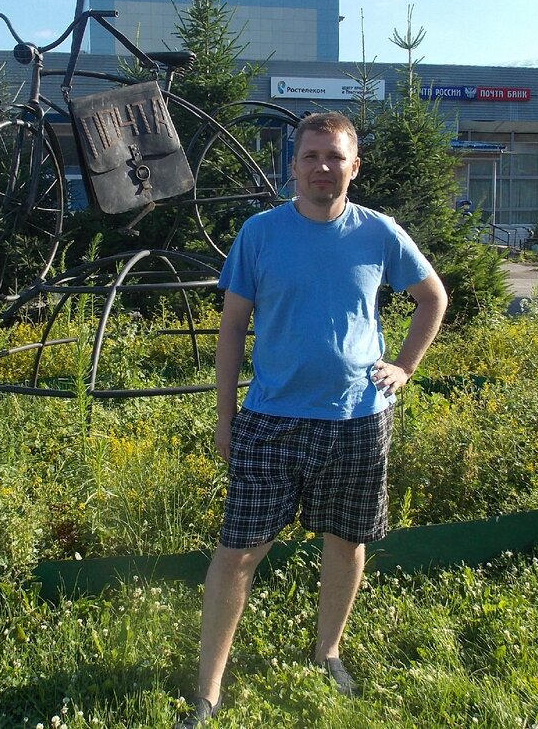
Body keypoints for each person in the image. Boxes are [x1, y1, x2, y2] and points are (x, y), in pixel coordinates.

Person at [175, 111, 448, 727]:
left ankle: (328, 653)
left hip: (357, 419)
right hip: (270, 419)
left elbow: (433, 298)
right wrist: (225, 418)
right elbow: (232, 331)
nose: (323, 168)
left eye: (335, 157)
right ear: (293, 166)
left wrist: (404, 365)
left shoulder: (379, 233)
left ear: (354, 167)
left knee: (345, 543)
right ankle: (209, 689)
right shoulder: (260, 234)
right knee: (238, 552)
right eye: (311, 156)